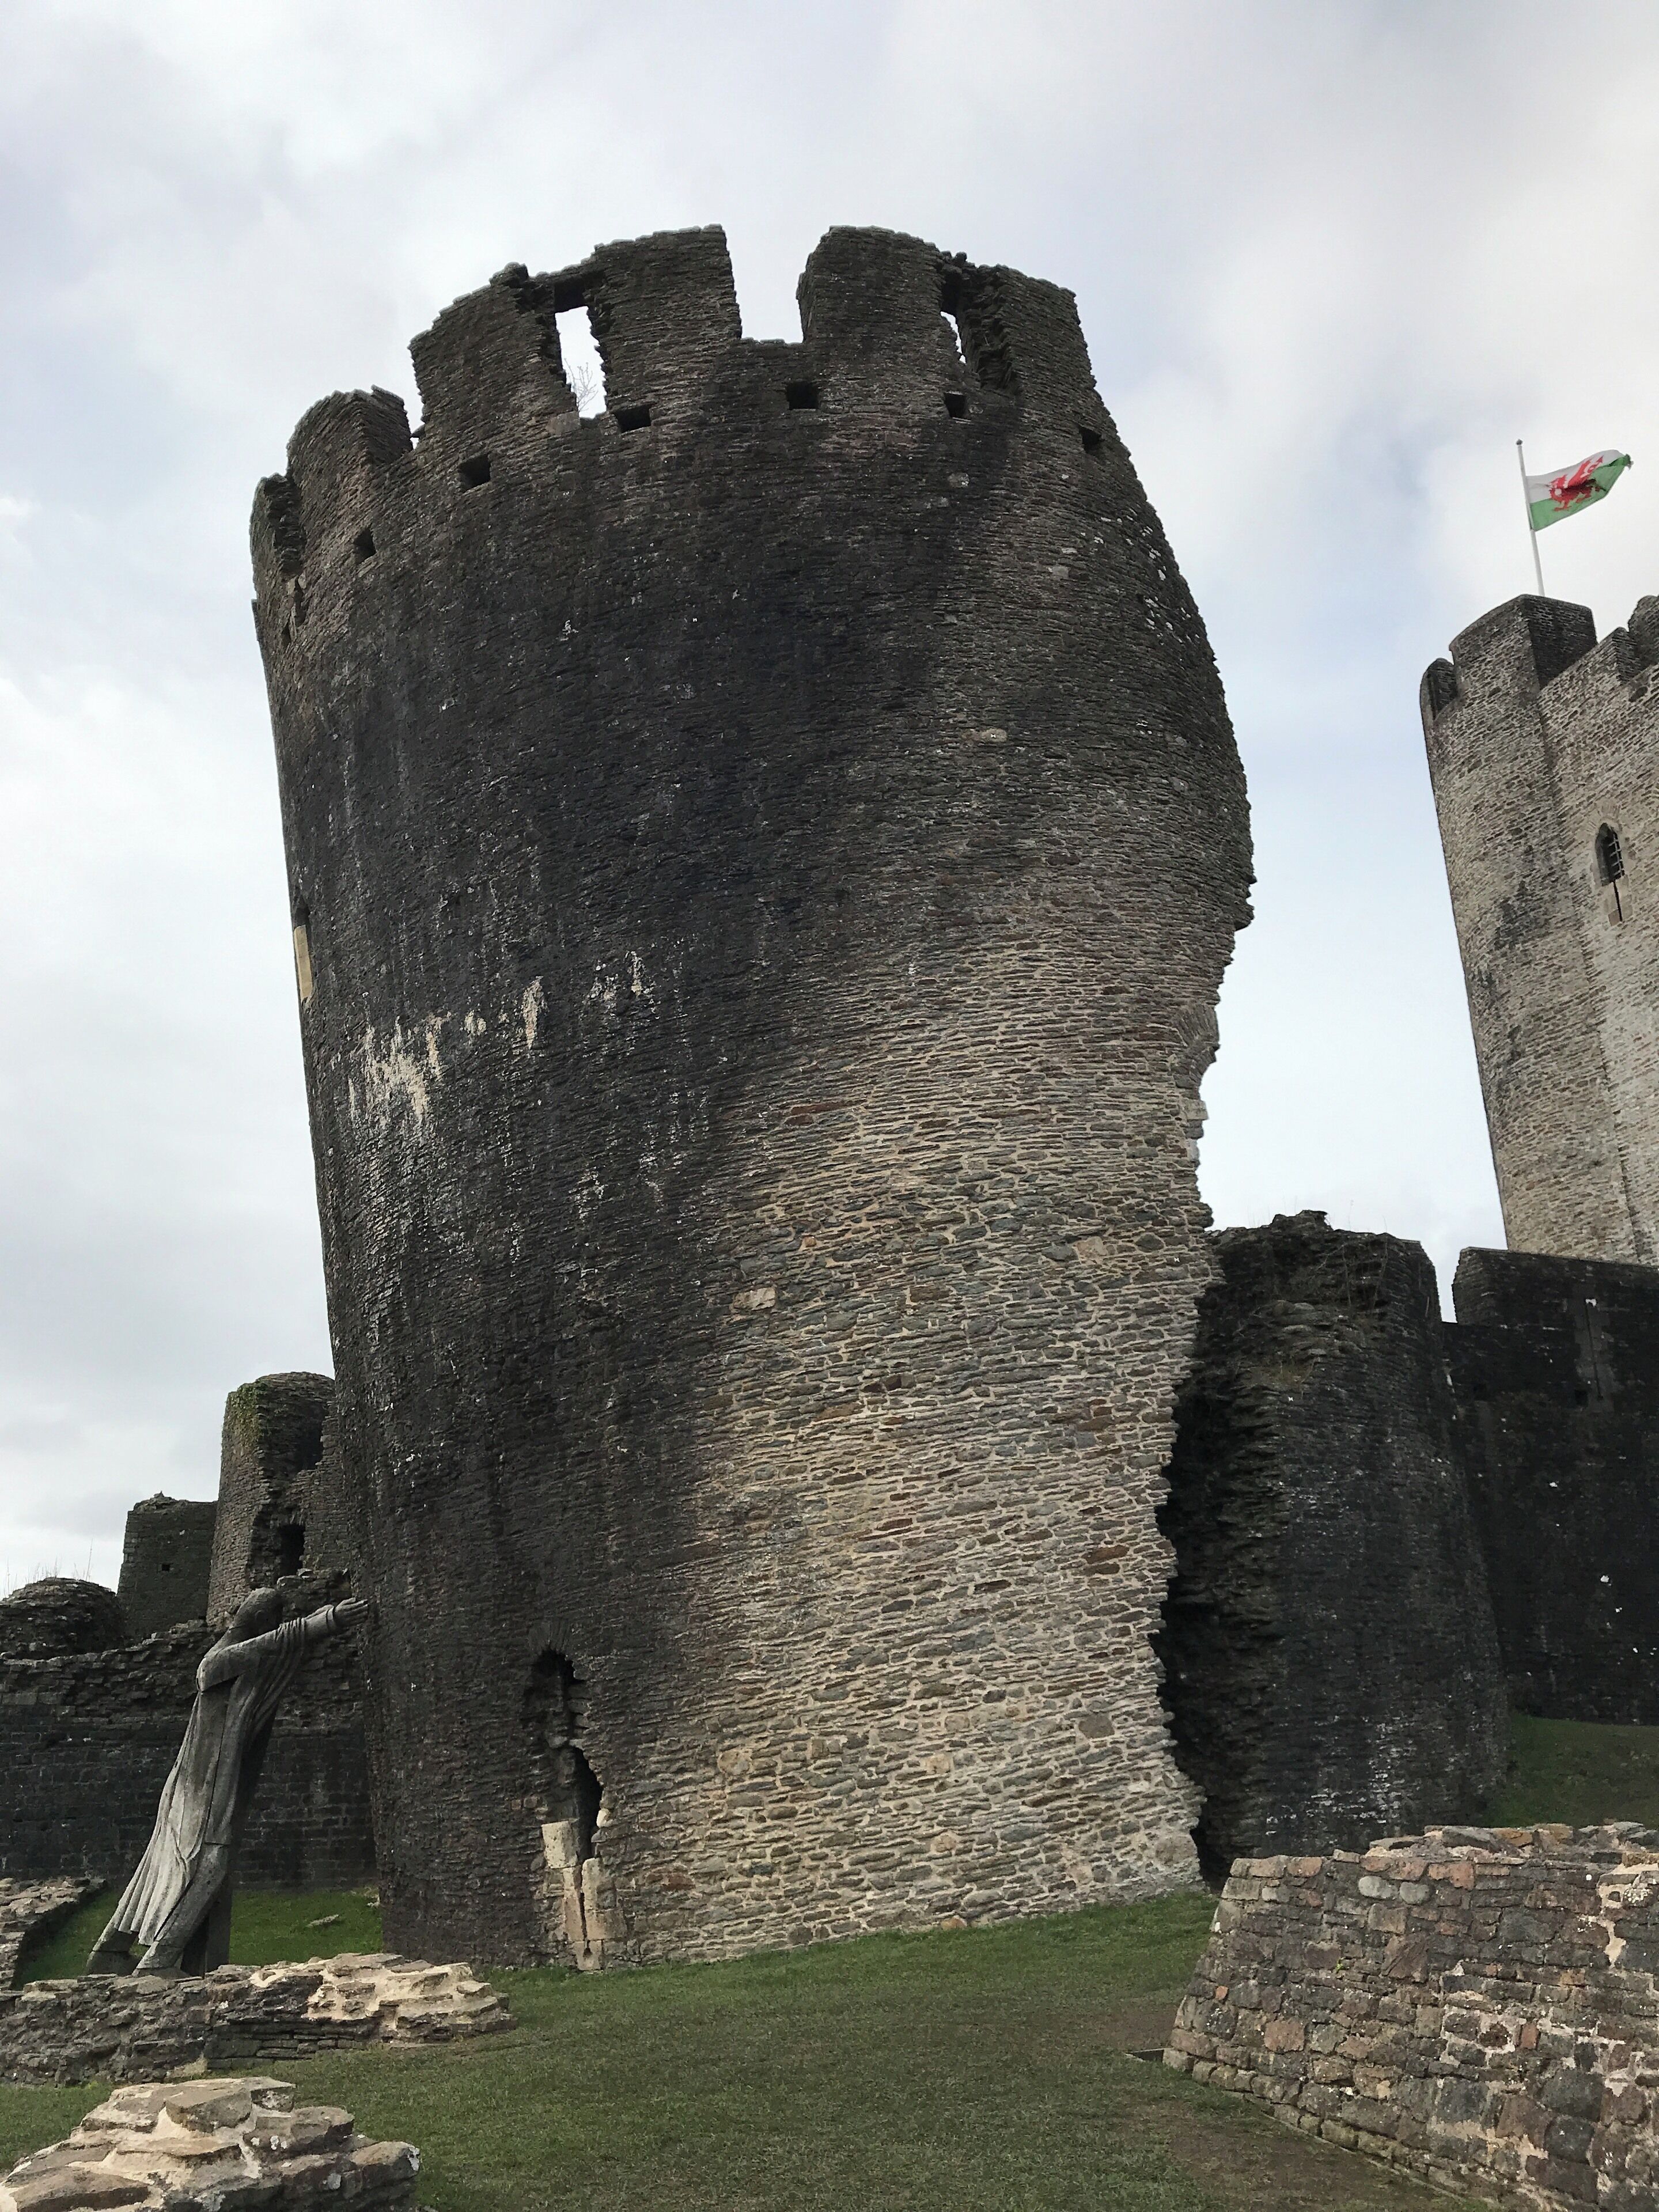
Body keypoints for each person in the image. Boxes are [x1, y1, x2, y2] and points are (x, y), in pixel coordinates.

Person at [84, 1588, 369, 1976]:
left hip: (199, 1779)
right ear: (258, 1622)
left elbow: (272, 1653)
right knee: (211, 1862)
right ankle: (157, 1962)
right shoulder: (219, 1658)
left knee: (167, 1860)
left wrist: (320, 1624)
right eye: (272, 1620)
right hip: (203, 1781)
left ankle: (110, 1952)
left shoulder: (245, 1656)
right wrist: (316, 1625)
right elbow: (215, 1668)